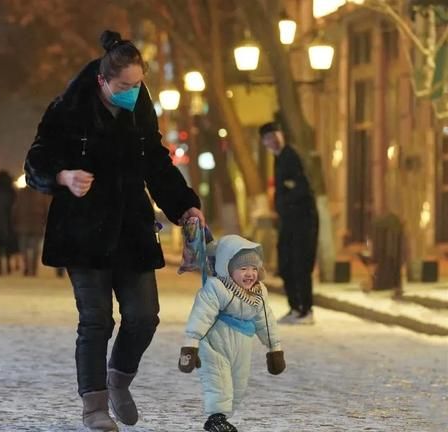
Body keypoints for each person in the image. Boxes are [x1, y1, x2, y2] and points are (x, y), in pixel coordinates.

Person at [24, 30, 205, 431]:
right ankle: (94, 407)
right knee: (96, 320)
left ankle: (118, 379)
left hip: (131, 227)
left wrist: (185, 205)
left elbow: (156, 162)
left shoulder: (141, 107)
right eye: (124, 85)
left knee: (144, 316)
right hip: (83, 231)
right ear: (103, 81)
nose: (133, 92)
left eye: (139, 84)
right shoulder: (68, 109)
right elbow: (36, 160)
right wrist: (63, 175)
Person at [178, 235, 285, 432]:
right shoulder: (217, 288)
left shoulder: (259, 292)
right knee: (219, 381)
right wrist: (190, 345)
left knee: (238, 386)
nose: (249, 274)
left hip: (242, 344)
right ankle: (215, 418)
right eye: (243, 268)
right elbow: (201, 315)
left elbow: (265, 320)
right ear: (227, 268)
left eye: (254, 268)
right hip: (214, 344)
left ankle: (223, 417)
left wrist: (274, 348)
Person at [259, 122, 318, 325]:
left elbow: (302, 187)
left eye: (275, 135)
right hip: (288, 220)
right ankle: (295, 307)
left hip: (303, 219)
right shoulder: (279, 158)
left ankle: (306, 309)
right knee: (285, 264)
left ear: (281, 135)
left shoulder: (291, 156)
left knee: (301, 264)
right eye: (267, 138)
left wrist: (286, 197)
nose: (272, 141)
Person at [11, 183, 50, 276]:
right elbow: (46, 210)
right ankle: (33, 269)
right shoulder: (41, 194)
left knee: (23, 248)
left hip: (23, 226)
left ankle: (27, 267)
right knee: (35, 249)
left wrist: (14, 222)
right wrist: (45, 223)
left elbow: (15, 209)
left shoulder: (21, 194)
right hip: (37, 225)